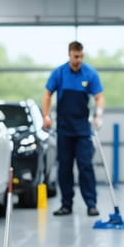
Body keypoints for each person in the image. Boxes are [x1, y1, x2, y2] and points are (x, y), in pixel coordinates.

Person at [42, 41, 106, 217]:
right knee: (64, 168)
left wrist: (98, 114)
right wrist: (46, 115)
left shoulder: (90, 74)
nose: (79, 60)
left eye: (81, 56)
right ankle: (66, 205)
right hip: (64, 129)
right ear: (69, 55)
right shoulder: (60, 73)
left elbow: (99, 96)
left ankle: (91, 204)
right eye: (76, 56)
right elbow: (47, 93)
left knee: (85, 166)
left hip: (82, 129)